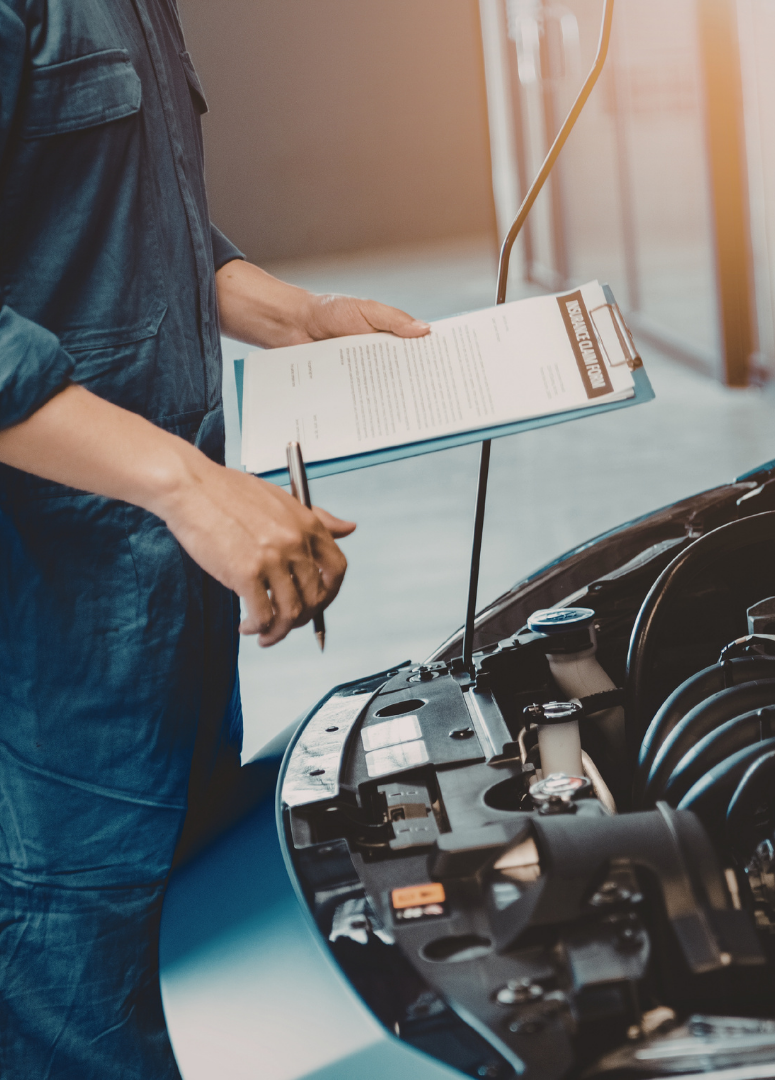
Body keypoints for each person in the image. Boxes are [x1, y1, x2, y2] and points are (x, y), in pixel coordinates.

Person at [0, 2, 429, 1076]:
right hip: (45, 659)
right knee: (83, 1013)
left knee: (190, 975)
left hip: (168, 616)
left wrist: (296, 315)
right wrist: (188, 485)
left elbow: (111, 226)